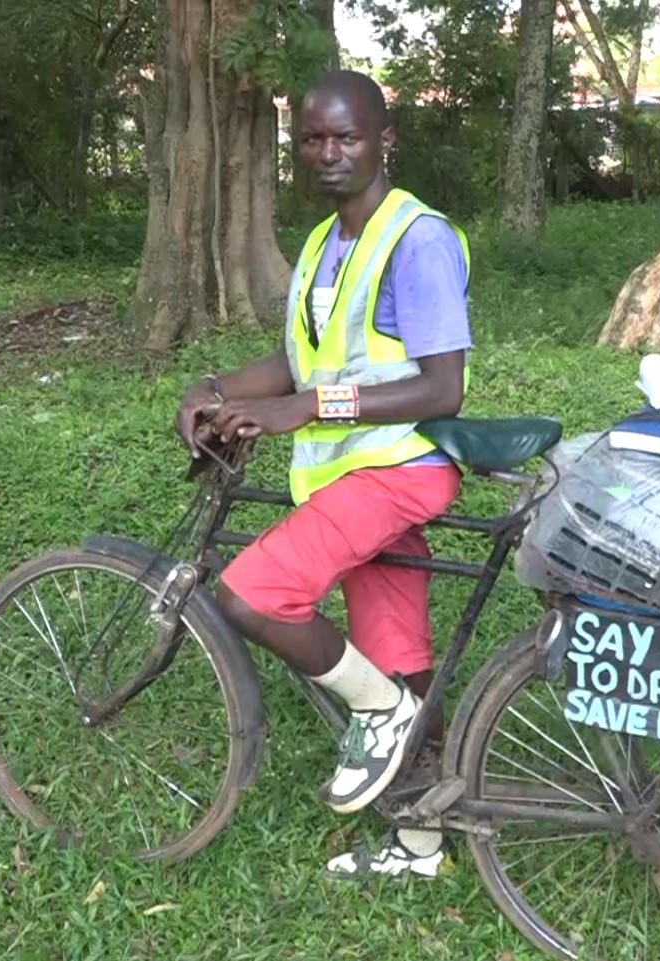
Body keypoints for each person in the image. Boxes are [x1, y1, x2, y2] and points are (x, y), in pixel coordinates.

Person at [174, 69, 473, 880]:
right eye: (314, 138)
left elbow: (442, 386)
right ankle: (418, 842)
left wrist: (305, 410)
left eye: (347, 136)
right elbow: (300, 356)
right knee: (398, 656)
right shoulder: (323, 241)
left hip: (396, 471)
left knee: (248, 594)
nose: (330, 152)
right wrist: (217, 391)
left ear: (384, 140)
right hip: (358, 477)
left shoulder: (416, 240)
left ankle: (378, 713)